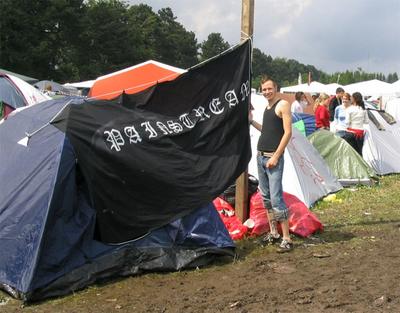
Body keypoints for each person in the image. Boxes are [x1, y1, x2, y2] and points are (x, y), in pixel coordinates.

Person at [249, 76, 293, 252]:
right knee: (266, 197)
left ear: (276, 88)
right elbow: (267, 131)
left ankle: (287, 239)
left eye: (269, 88)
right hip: (261, 157)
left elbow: (288, 133)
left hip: (272, 159)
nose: (267, 92)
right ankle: (274, 233)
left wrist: (276, 156)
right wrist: (251, 121)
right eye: (264, 89)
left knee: (276, 198)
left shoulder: (283, 105)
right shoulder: (267, 108)